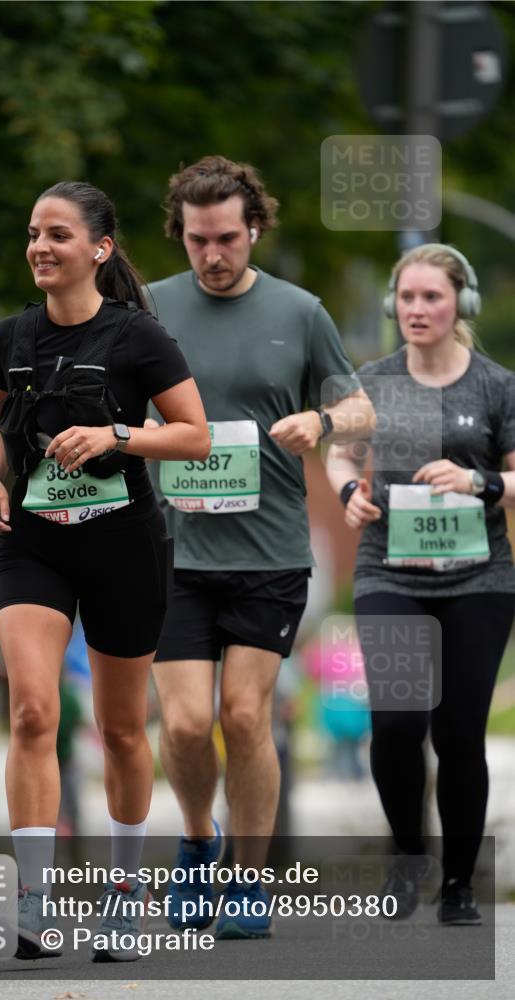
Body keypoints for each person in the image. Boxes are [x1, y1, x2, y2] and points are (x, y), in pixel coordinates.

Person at [0, 181, 209, 961]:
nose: (39, 247)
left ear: (99, 249)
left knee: (120, 730)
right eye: (33, 233)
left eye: (58, 235)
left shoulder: (139, 337)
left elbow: (194, 436)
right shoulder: (10, 337)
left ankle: (123, 895)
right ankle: (33, 901)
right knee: (31, 712)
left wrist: (116, 436)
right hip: (34, 542)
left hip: (122, 545)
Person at [146, 155, 375, 939]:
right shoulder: (147, 309)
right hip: (170, 552)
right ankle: (196, 844)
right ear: (180, 234)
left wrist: (322, 421)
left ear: (254, 230)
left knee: (244, 718)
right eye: (197, 240)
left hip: (268, 553)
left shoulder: (300, 312)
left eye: (227, 239)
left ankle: (247, 880)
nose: (213, 255)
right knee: (184, 725)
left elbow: (361, 408)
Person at [326, 243, 515, 926]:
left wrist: (478, 481)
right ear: (391, 304)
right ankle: (407, 856)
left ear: (460, 302)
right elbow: (339, 453)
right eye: (406, 296)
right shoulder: (371, 382)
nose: (416, 308)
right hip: (389, 572)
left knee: (459, 733)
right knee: (397, 723)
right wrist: (348, 492)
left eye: (431, 296)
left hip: (478, 578)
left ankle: (458, 883)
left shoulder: (495, 386)